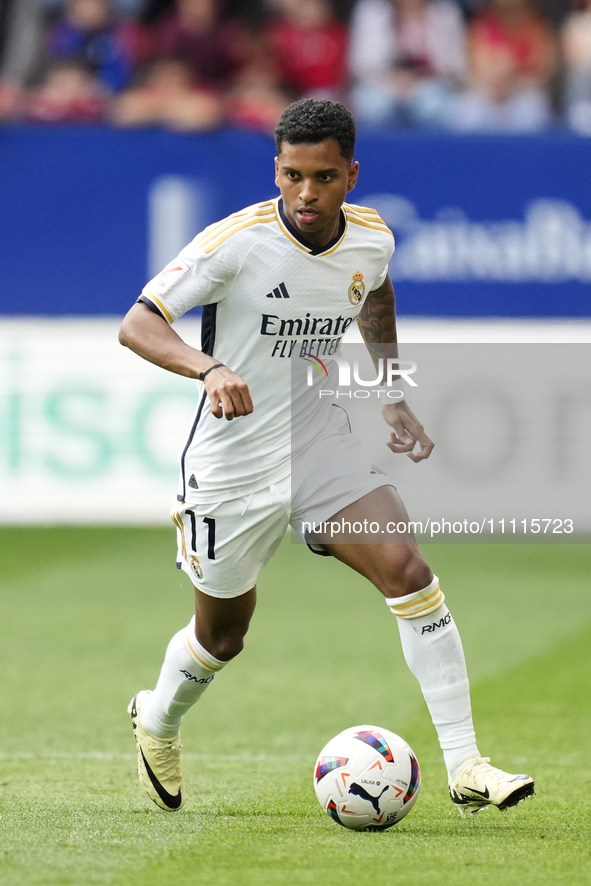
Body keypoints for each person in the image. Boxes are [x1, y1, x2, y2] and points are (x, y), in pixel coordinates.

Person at [118, 98, 534, 818]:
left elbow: (374, 295)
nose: (305, 194)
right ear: (275, 170)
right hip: (231, 466)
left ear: (350, 174)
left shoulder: (372, 238)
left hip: (317, 441)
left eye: (322, 177)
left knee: (408, 570)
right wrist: (208, 370)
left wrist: (390, 390)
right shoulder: (235, 243)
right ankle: (158, 718)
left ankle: (466, 763)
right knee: (222, 637)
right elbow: (137, 324)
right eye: (290, 175)